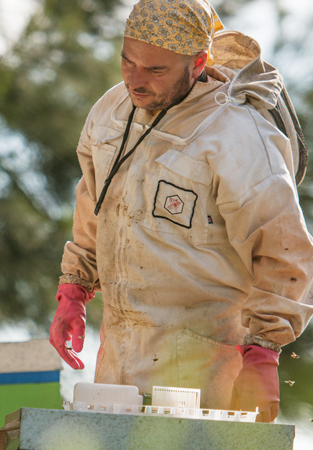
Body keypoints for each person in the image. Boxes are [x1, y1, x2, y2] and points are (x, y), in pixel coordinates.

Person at [49, 0, 313, 423]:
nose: (136, 81)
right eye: (128, 61)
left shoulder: (238, 135)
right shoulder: (110, 113)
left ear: (198, 63)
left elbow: (284, 249)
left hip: (204, 367)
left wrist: (264, 350)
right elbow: (94, 205)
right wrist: (74, 289)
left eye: (156, 70)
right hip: (116, 362)